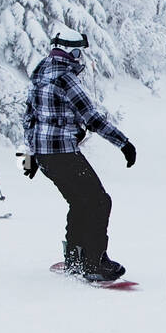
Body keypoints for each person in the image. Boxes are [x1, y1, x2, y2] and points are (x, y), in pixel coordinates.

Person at [21, 25, 136, 281]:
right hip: (62, 153)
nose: (80, 57)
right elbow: (92, 117)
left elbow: (29, 118)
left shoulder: (39, 74)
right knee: (98, 201)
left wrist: (30, 157)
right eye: (78, 52)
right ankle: (94, 263)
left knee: (80, 201)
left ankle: (75, 257)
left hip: (46, 156)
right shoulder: (65, 77)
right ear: (70, 52)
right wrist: (124, 143)